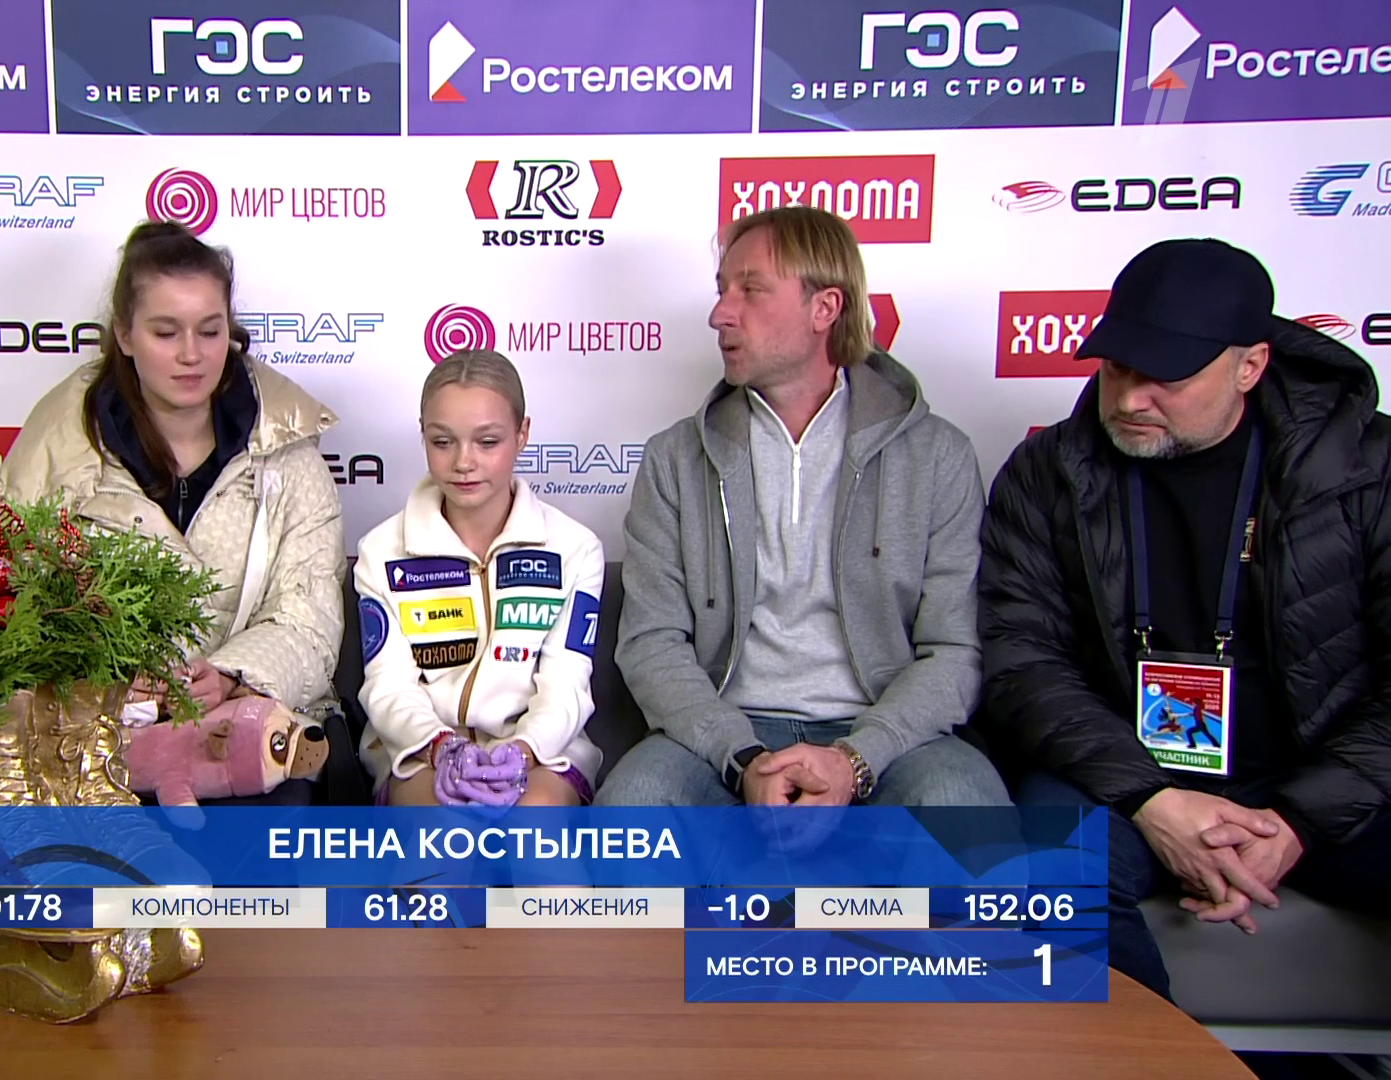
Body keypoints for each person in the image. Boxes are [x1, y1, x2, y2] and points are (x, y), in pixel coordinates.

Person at [977, 237, 1391, 1000]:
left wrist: (1297, 821)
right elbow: (1021, 662)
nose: (1131, 399)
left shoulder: (1369, 469)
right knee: (1047, 881)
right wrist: (1153, 801)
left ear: (1250, 366)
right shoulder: (1048, 472)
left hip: (1324, 775)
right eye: (1117, 368)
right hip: (1122, 775)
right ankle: (1145, 1057)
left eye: (1166, 377)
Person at [596, 205, 1008, 809]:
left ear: (825, 308)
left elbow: (953, 650)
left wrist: (855, 760)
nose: (719, 313)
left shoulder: (937, 455)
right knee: (632, 806)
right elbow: (651, 642)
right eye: (721, 290)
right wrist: (743, 759)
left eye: (750, 290)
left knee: (968, 807)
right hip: (725, 733)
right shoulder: (674, 459)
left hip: (888, 736)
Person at [0, 220, 347, 800]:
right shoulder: (51, 458)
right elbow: (16, 612)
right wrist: (109, 686)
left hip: (249, 737)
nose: (191, 355)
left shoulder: (288, 454)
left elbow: (310, 613)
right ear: (124, 334)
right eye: (166, 332)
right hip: (94, 745)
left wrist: (233, 675)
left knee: (272, 821)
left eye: (210, 331)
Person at [354, 350, 604, 806]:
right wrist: (439, 746)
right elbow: (388, 686)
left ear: (523, 434)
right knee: (441, 831)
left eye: (487, 442)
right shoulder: (381, 550)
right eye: (442, 442)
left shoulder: (575, 548)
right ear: (422, 435)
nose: (463, 462)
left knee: (535, 827)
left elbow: (567, 684)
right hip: (420, 753)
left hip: (543, 754)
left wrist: (523, 750)